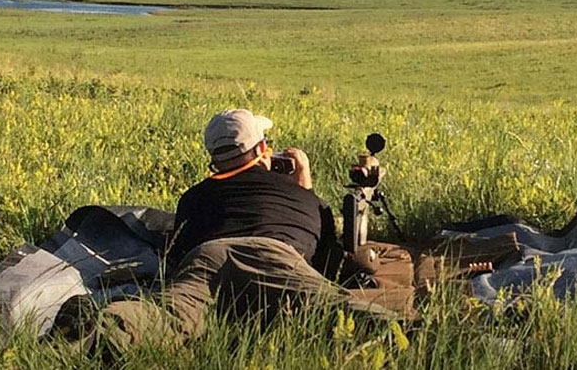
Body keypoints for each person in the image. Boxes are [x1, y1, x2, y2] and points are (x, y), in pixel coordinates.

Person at [69, 109, 395, 353]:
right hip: (276, 257)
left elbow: (176, 255)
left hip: (207, 258)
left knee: (172, 312)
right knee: (334, 308)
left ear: (215, 157)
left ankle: (105, 325)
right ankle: (410, 332)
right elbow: (329, 262)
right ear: (262, 148)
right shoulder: (301, 196)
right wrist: (305, 187)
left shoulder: (194, 197)